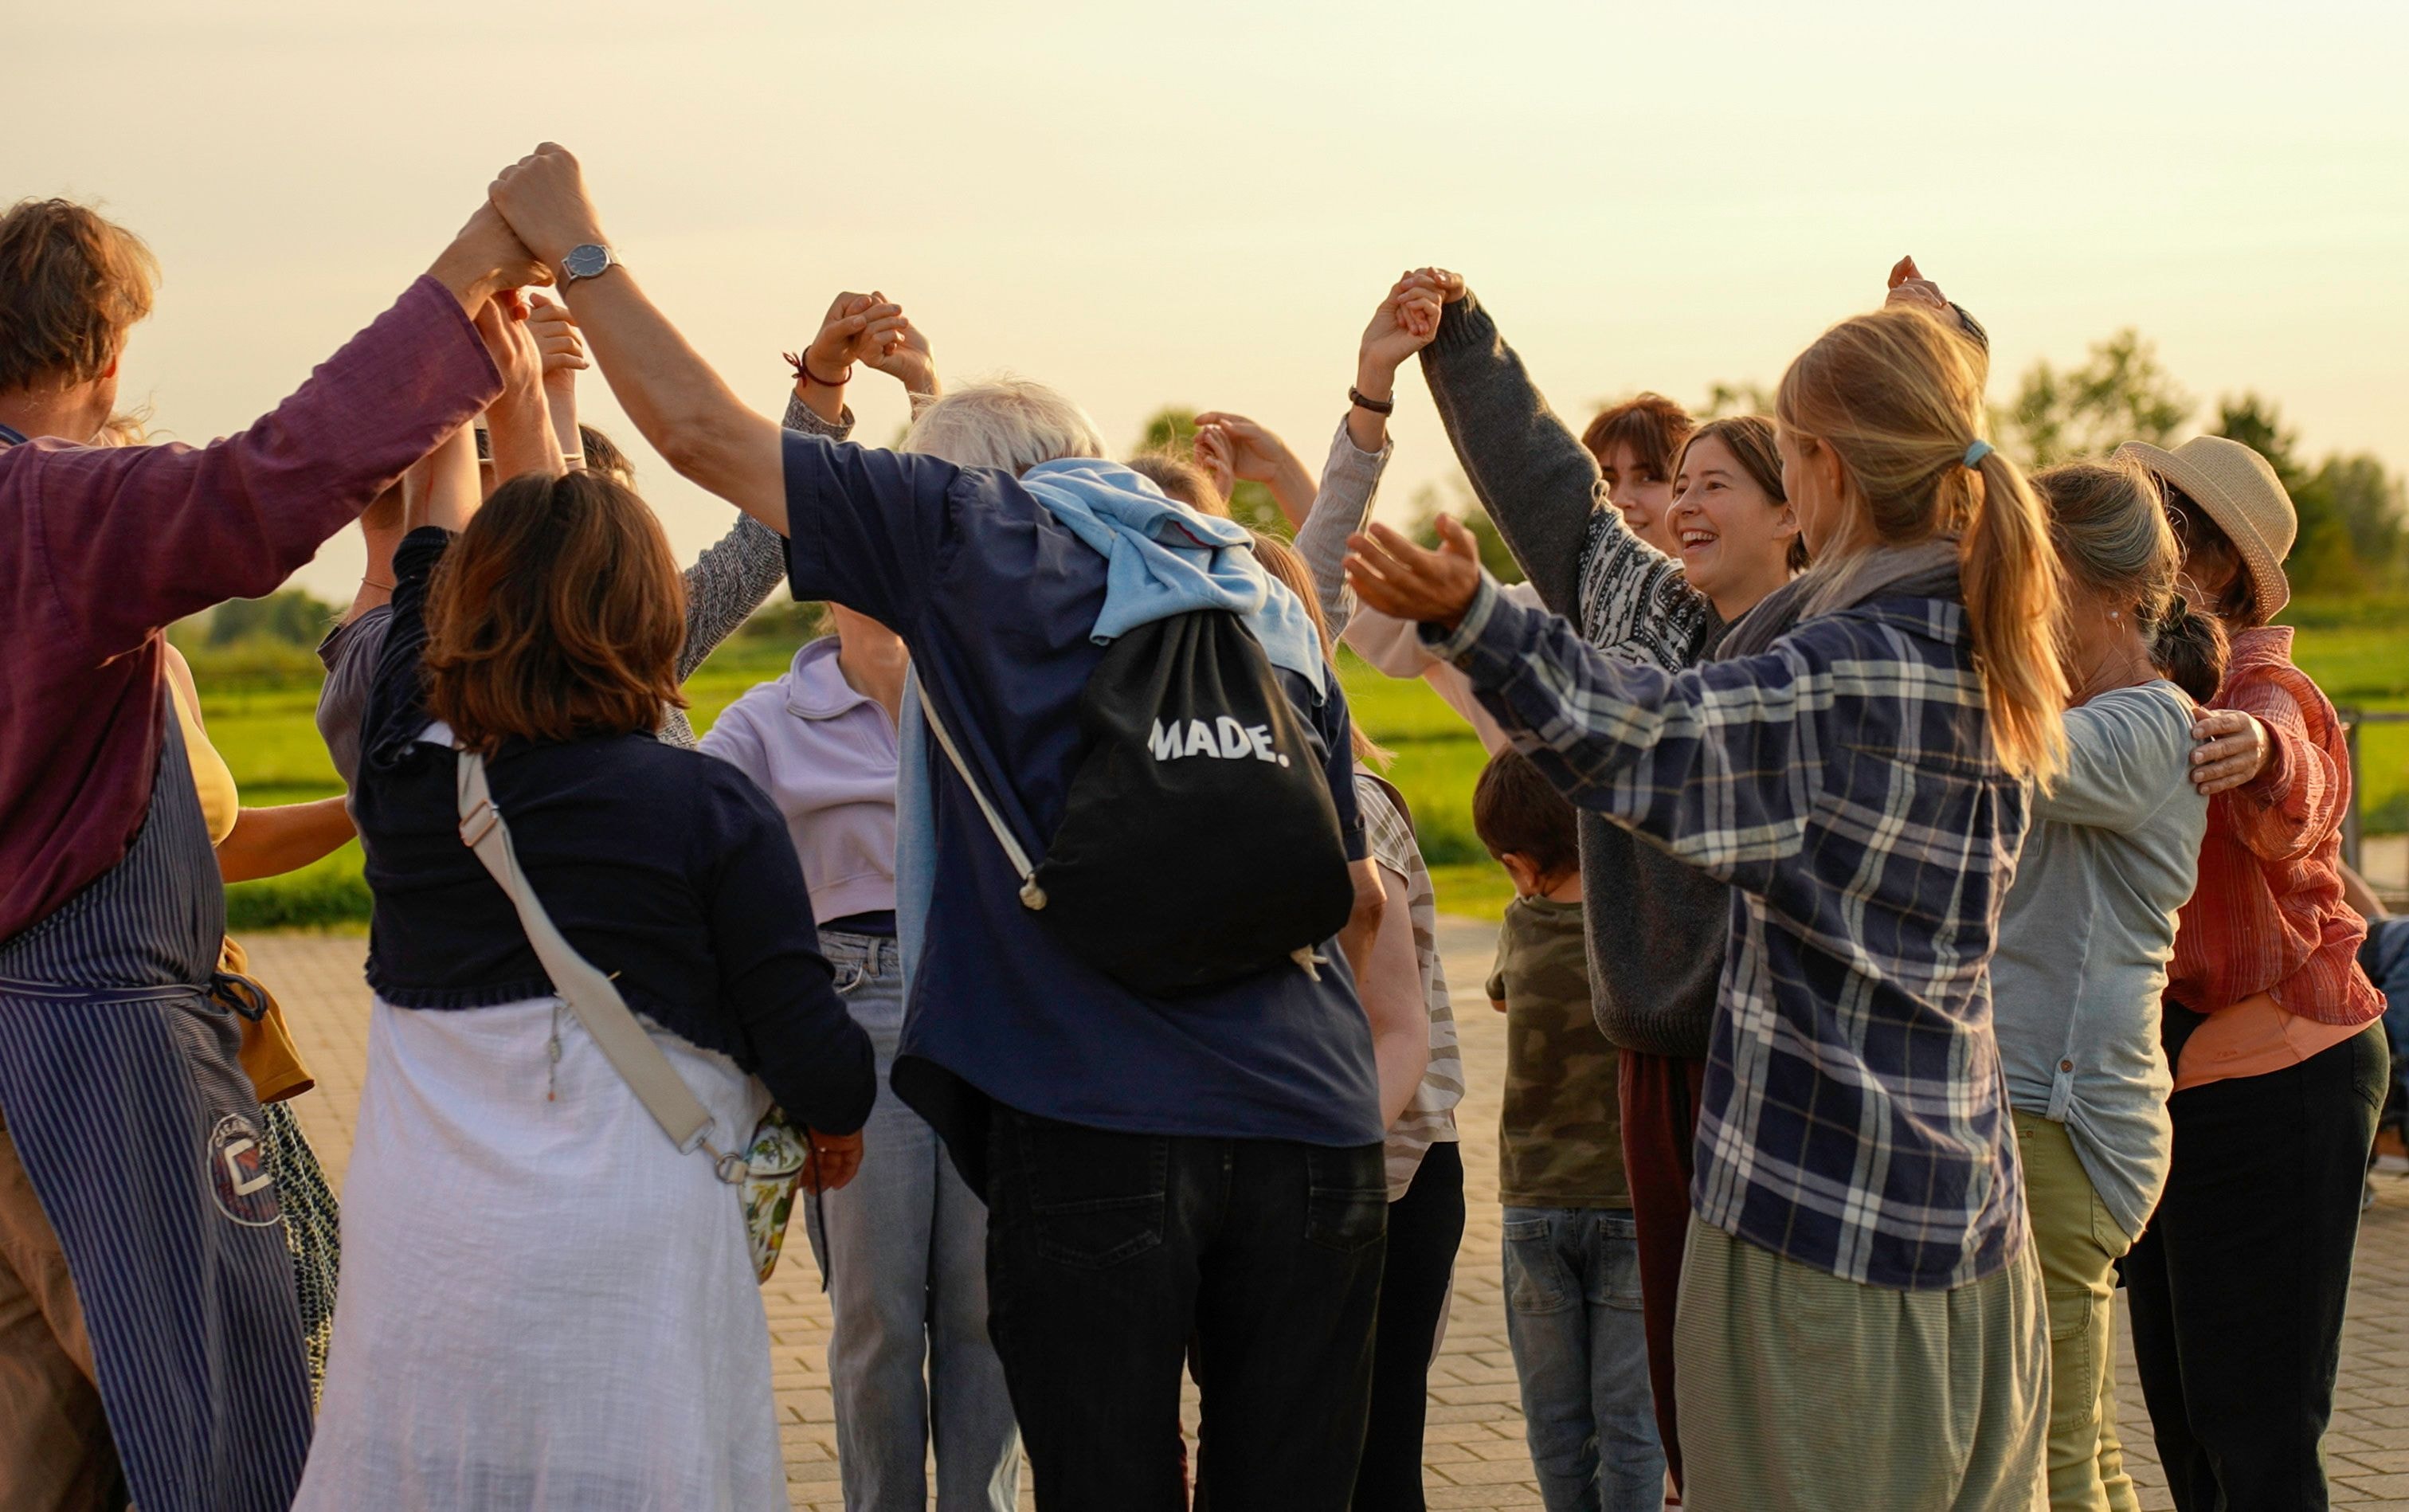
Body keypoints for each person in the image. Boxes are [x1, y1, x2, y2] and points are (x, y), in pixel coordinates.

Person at [485, 141, 1391, 1510]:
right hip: (1316, 1126)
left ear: (953, 478)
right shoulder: (1248, 591)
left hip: (1096, 1124)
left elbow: (699, 437)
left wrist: (580, 245)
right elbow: (1359, 897)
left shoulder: (967, 535)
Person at [1347, 296, 2069, 1510]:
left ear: (1820, 477)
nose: (1680, 504)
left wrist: (1474, 623)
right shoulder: (1978, 632)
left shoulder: (1852, 668)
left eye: (1769, 456)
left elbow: (1652, 746)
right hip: (1968, 1218)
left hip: (1828, 1227)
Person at [0, 191, 538, 1512]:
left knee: (36, 1432)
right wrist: (462, 281)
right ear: (107, 349)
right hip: (98, 1033)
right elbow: (261, 483)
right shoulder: (50, 508)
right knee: (222, 1415)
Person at [295, 448, 877, 1509]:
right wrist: (829, 1124)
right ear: (654, 614)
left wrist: (474, 384)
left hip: (430, 1243)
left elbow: (424, 568)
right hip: (636, 1239)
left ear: (466, 611)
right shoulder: (707, 808)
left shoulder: (406, 783)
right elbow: (825, 1067)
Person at [1390, 264, 1827, 1487]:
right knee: (1679, 1391)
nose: (1679, 507)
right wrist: (1460, 343)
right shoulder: (1637, 602)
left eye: (1712, 486)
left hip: (1783, 1051)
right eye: (1673, 485)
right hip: (1653, 1041)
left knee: (1770, 1369)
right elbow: (1552, 491)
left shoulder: (1825, 637)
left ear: (1796, 511)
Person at [702, 315, 1024, 1512]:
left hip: (984, 996)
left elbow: (966, 492)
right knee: (880, 1314)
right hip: (852, 1007)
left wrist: (927, 386)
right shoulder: (764, 723)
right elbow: (710, 865)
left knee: (988, 1303)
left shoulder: (979, 681)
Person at [2113, 433, 2387, 1512]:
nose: (2134, 535)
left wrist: (2259, 753)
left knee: (2259, 1430)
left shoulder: (2269, 685)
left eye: (2159, 516)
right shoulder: (2138, 673)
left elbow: (2301, 762)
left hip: (2288, 1080)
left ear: (2217, 562)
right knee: (2185, 1421)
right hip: (2181, 1082)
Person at [311, 289, 910, 783]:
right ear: (480, 486)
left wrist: (823, 381)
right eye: (594, 515)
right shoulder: (402, 655)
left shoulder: (623, 635)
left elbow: (758, 548)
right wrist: (512, 388)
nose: (612, 544)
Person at [1991, 458, 2223, 1512]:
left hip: (2069, 1115)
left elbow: (2009, 749)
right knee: (2091, 1448)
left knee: (2053, 1458)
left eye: (2040, 583)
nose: (2020, 608)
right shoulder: (2101, 712)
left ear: (2120, 594)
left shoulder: (2149, 725)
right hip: (2045, 1108)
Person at [1249, 529, 1464, 1512]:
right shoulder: (1220, 793)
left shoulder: (1349, 808)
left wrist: (1318, 1176)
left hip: (1382, 1178)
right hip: (1288, 1181)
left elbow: (1392, 1032)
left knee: (1370, 1468)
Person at [1472, 749, 1661, 1511]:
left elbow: (1498, 998)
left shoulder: (1521, 925)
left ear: (1518, 863)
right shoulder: (1638, 927)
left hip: (1533, 1206)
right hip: (1628, 1202)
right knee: (1631, 1419)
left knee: (1555, 1415)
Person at [1577, 392, 1690, 558]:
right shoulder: (1540, 585)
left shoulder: (1732, 583)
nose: (1620, 501)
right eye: (1607, 480)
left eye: (1648, 478)